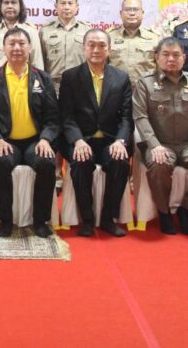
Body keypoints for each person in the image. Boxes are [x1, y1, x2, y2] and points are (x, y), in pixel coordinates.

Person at [0, 28, 59, 238]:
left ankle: (40, 221)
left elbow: (53, 117)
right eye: (11, 44)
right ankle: (5, 221)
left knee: (46, 163)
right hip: (6, 141)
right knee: (2, 163)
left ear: (30, 47)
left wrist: (46, 139)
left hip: (36, 141)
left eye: (22, 44)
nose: (16, 48)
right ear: (3, 48)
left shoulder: (43, 78)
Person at [51, 29, 132, 237]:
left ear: (109, 49)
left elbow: (126, 117)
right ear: (84, 48)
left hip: (110, 140)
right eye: (92, 45)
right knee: (81, 162)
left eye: (102, 45)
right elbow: (66, 116)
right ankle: (87, 219)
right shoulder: (71, 77)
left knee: (120, 162)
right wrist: (77, 140)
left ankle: (108, 219)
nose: (96, 50)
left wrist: (120, 141)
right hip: (81, 139)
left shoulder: (121, 78)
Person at [132, 37, 188, 235]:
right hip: (160, 144)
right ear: (156, 57)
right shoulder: (145, 83)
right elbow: (141, 117)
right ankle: (164, 212)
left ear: (184, 58)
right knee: (159, 164)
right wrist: (154, 145)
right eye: (166, 54)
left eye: (176, 55)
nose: (171, 59)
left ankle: (186, 210)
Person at [39, 0, 90, 95]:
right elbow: (40, 62)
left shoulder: (87, 30)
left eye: (70, 3)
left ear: (77, 7)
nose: (66, 7)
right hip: (54, 88)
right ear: (56, 6)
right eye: (63, 3)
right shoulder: (45, 31)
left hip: (81, 87)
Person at [107, 0, 159, 87]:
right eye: (128, 9)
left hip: (145, 91)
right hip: (116, 90)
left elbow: (161, 68)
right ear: (121, 13)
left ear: (142, 13)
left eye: (135, 9)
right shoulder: (109, 37)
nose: (132, 13)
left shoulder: (155, 37)